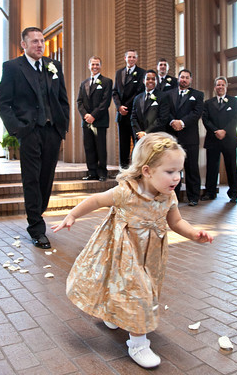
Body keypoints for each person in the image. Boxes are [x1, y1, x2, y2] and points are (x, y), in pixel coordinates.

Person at [52, 132, 213, 369]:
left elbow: (176, 222)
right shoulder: (126, 192)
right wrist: (72, 216)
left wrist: (193, 234)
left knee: (137, 289)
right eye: (170, 172)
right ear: (147, 171)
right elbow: (97, 200)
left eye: (179, 171)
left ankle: (113, 313)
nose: (177, 177)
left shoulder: (168, 196)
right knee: (138, 293)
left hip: (151, 255)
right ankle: (138, 343)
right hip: (122, 251)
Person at [0, 27, 70, 250]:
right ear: (24, 45)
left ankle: (38, 212)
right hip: (29, 132)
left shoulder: (53, 66)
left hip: (51, 132)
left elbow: (62, 99)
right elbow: (3, 103)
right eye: (35, 41)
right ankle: (36, 228)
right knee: (31, 178)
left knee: (46, 179)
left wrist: (61, 127)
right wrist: (18, 129)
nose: (40, 45)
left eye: (42, 41)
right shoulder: (12, 68)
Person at [166, 69, 204, 206]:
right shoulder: (168, 94)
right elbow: (166, 111)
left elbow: (197, 113)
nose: (184, 79)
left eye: (187, 77)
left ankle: (193, 197)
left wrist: (182, 123)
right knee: (174, 168)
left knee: (192, 168)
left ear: (191, 80)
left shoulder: (198, 95)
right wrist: (172, 122)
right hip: (173, 137)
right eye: (182, 77)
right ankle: (172, 197)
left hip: (190, 138)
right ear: (178, 78)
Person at [202, 76, 237, 203]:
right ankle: (210, 192)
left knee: (231, 167)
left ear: (226, 87)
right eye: (218, 85)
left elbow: (236, 118)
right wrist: (216, 131)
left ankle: (234, 193)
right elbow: (205, 120)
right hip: (213, 138)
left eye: (222, 85)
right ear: (214, 88)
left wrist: (224, 131)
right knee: (212, 167)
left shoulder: (234, 101)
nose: (220, 87)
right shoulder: (208, 103)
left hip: (229, 138)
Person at [76, 56, 112, 181]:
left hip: (100, 121)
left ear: (100, 66)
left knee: (100, 147)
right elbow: (79, 102)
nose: (95, 67)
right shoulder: (83, 83)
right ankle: (92, 172)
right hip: (86, 122)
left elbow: (105, 102)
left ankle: (102, 173)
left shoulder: (107, 82)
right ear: (88, 66)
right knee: (89, 147)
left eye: (97, 64)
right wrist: (85, 115)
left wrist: (93, 116)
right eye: (93, 64)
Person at [112, 50, 145, 168]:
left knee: (137, 143)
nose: (131, 59)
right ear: (125, 58)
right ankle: (123, 170)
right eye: (129, 57)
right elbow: (115, 92)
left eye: (133, 57)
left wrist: (126, 106)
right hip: (121, 115)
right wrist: (119, 107)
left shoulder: (142, 73)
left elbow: (139, 92)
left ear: (136, 59)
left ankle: (136, 169)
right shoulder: (119, 72)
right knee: (123, 144)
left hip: (134, 114)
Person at [130, 69, 169, 141]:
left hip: (156, 137)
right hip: (140, 138)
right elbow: (133, 118)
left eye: (153, 79)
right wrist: (139, 133)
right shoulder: (137, 98)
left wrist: (146, 133)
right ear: (143, 81)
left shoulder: (163, 96)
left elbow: (162, 119)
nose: (150, 81)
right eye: (148, 79)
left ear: (156, 81)